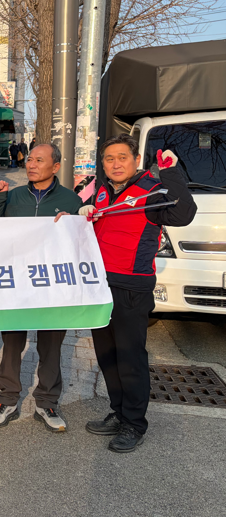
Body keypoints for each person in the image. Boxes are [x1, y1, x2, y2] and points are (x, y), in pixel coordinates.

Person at [78, 135, 196, 452]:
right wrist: (81, 211)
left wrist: (171, 172)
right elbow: (83, 216)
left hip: (132, 287)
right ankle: (118, 413)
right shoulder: (100, 189)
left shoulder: (152, 190)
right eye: (109, 158)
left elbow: (184, 214)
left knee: (130, 358)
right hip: (99, 286)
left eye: (122, 157)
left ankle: (134, 424)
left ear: (135, 158)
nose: (115, 164)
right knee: (107, 356)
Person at [0, 143, 83, 432]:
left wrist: (74, 225)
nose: (30, 164)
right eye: (29, 159)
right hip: (17, 284)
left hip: (53, 284)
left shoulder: (72, 200)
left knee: (51, 346)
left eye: (39, 160)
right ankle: (7, 399)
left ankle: (47, 401)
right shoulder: (13, 195)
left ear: (55, 167)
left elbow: (80, 244)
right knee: (12, 343)